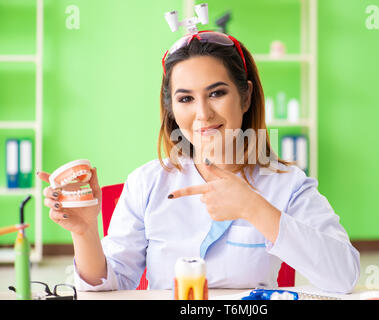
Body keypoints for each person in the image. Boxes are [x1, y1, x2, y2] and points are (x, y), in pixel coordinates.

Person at [38, 30, 360, 293]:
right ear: (172, 109)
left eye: (217, 93)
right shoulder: (147, 183)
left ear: (245, 96)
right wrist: (84, 233)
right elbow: (110, 285)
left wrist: (254, 207)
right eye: (186, 98)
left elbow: (344, 276)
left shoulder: (286, 184)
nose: (203, 114)